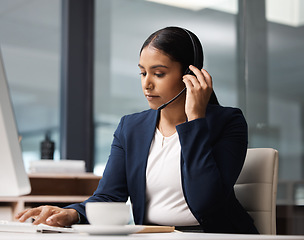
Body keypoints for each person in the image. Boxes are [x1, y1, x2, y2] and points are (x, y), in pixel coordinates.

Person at [16, 26, 259, 234]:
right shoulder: (130, 128)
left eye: (159, 73)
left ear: (190, 75)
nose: (147, 84)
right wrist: (71, 214)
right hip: (154, 236)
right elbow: (109, 196)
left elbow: (206, 202)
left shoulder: (228, 122)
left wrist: (195, 118)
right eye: (142, 72)